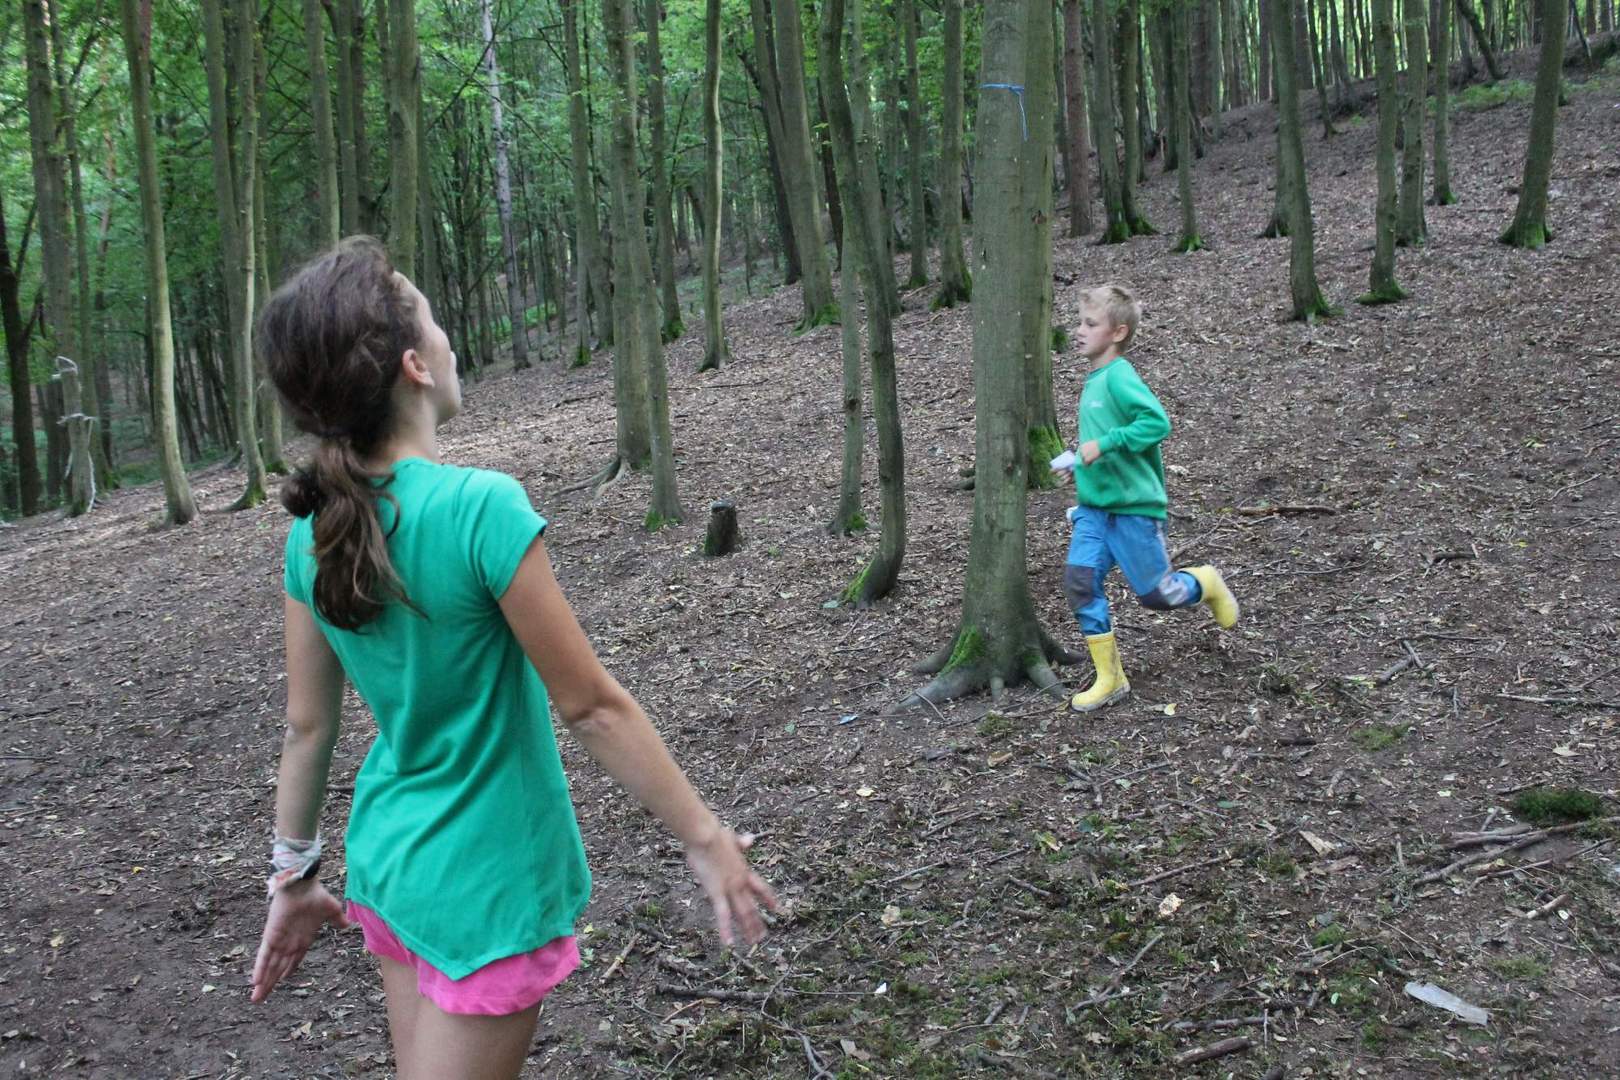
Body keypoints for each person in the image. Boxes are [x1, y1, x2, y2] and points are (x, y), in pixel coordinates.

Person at [247, 237, 776, 1078]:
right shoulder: (480, 508)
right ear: (415, 366)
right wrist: (704, 836)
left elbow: (307, 728)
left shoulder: (312, 533)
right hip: (488, 888)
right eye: (435, 323)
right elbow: (590, 706)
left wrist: (294, 874)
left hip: (392, 864)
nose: (451, 342)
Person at [1053, 284, 1240, 712]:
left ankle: (1205, 582)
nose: (1079, 331)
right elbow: (1102, 444)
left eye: (1090, 324)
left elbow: (1156, 423)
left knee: (1158, 595)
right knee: (1080, 582)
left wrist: (1102, 446)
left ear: (1117, 333)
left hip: (1133, 511)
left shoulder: (1119, 376)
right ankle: (1110, 677)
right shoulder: (1094, 380)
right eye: (1080, 322)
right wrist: (1079, 463)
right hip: (1095, 512)